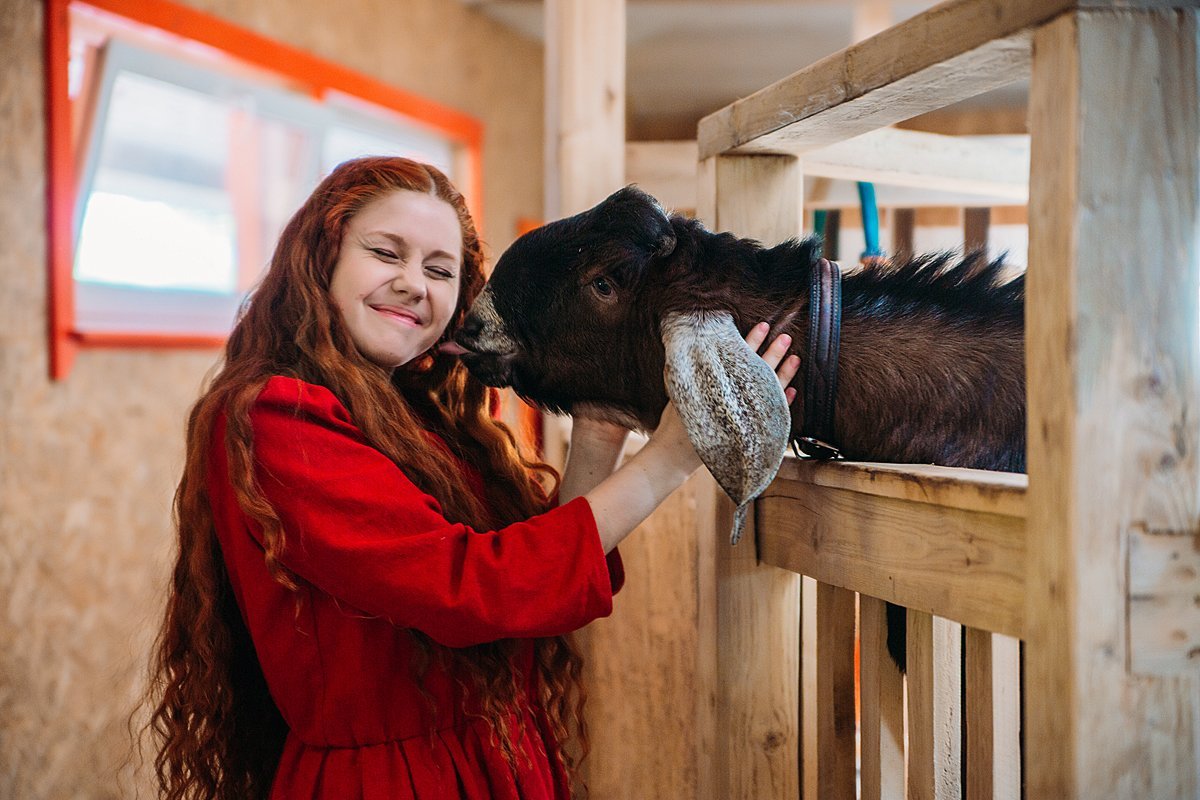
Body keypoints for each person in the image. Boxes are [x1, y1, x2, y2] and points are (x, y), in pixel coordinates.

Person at [147, 156, 800, 800]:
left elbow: (529, 588)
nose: (413, 283)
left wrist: (600, 429)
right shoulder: (279, 418)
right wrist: (673, 455)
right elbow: (472, 590)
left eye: (439, 270)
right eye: (385, 252)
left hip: (490, 763)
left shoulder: (415, 415)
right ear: (323, 259)